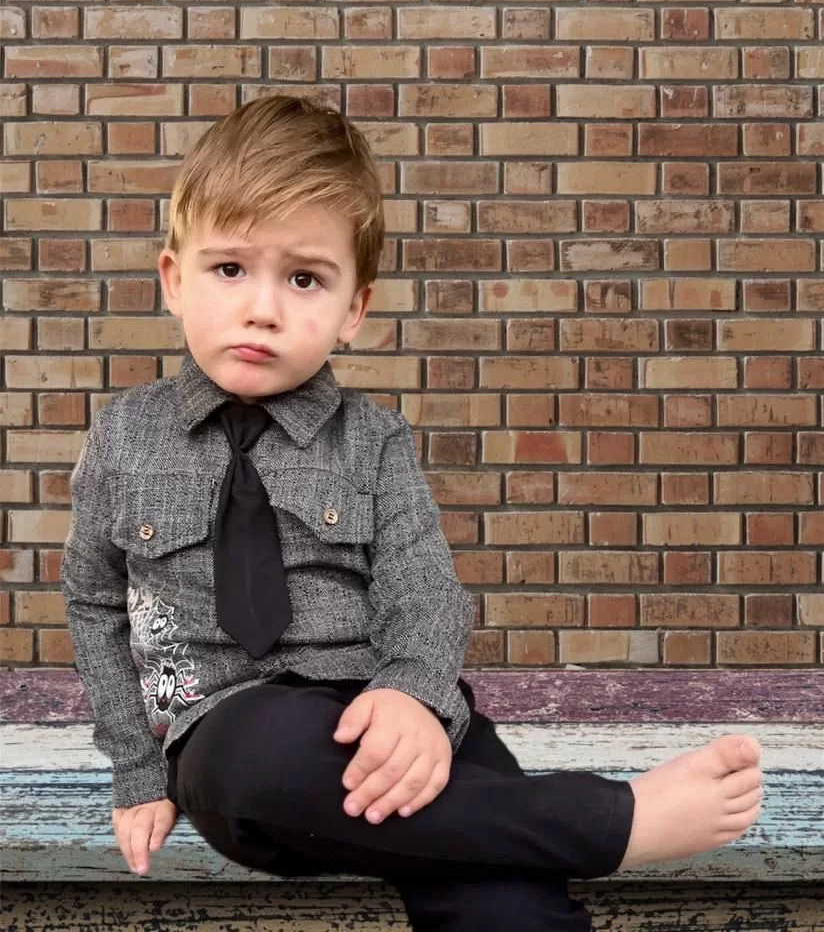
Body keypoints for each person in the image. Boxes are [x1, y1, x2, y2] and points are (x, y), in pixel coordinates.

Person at [62, 94, 763, 932]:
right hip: (239, 733)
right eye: (230, 269)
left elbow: (424, 589)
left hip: (393, 708)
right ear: (174, 279)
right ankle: (610, 822)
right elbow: (95, 604)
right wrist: (138, 772)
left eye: (304, 279)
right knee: (257, 758)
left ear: (354, 310)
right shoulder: (123, 437)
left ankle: (525, 828)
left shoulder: (375, 440)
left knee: (507, 904)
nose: (263, 308)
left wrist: (415, 699)